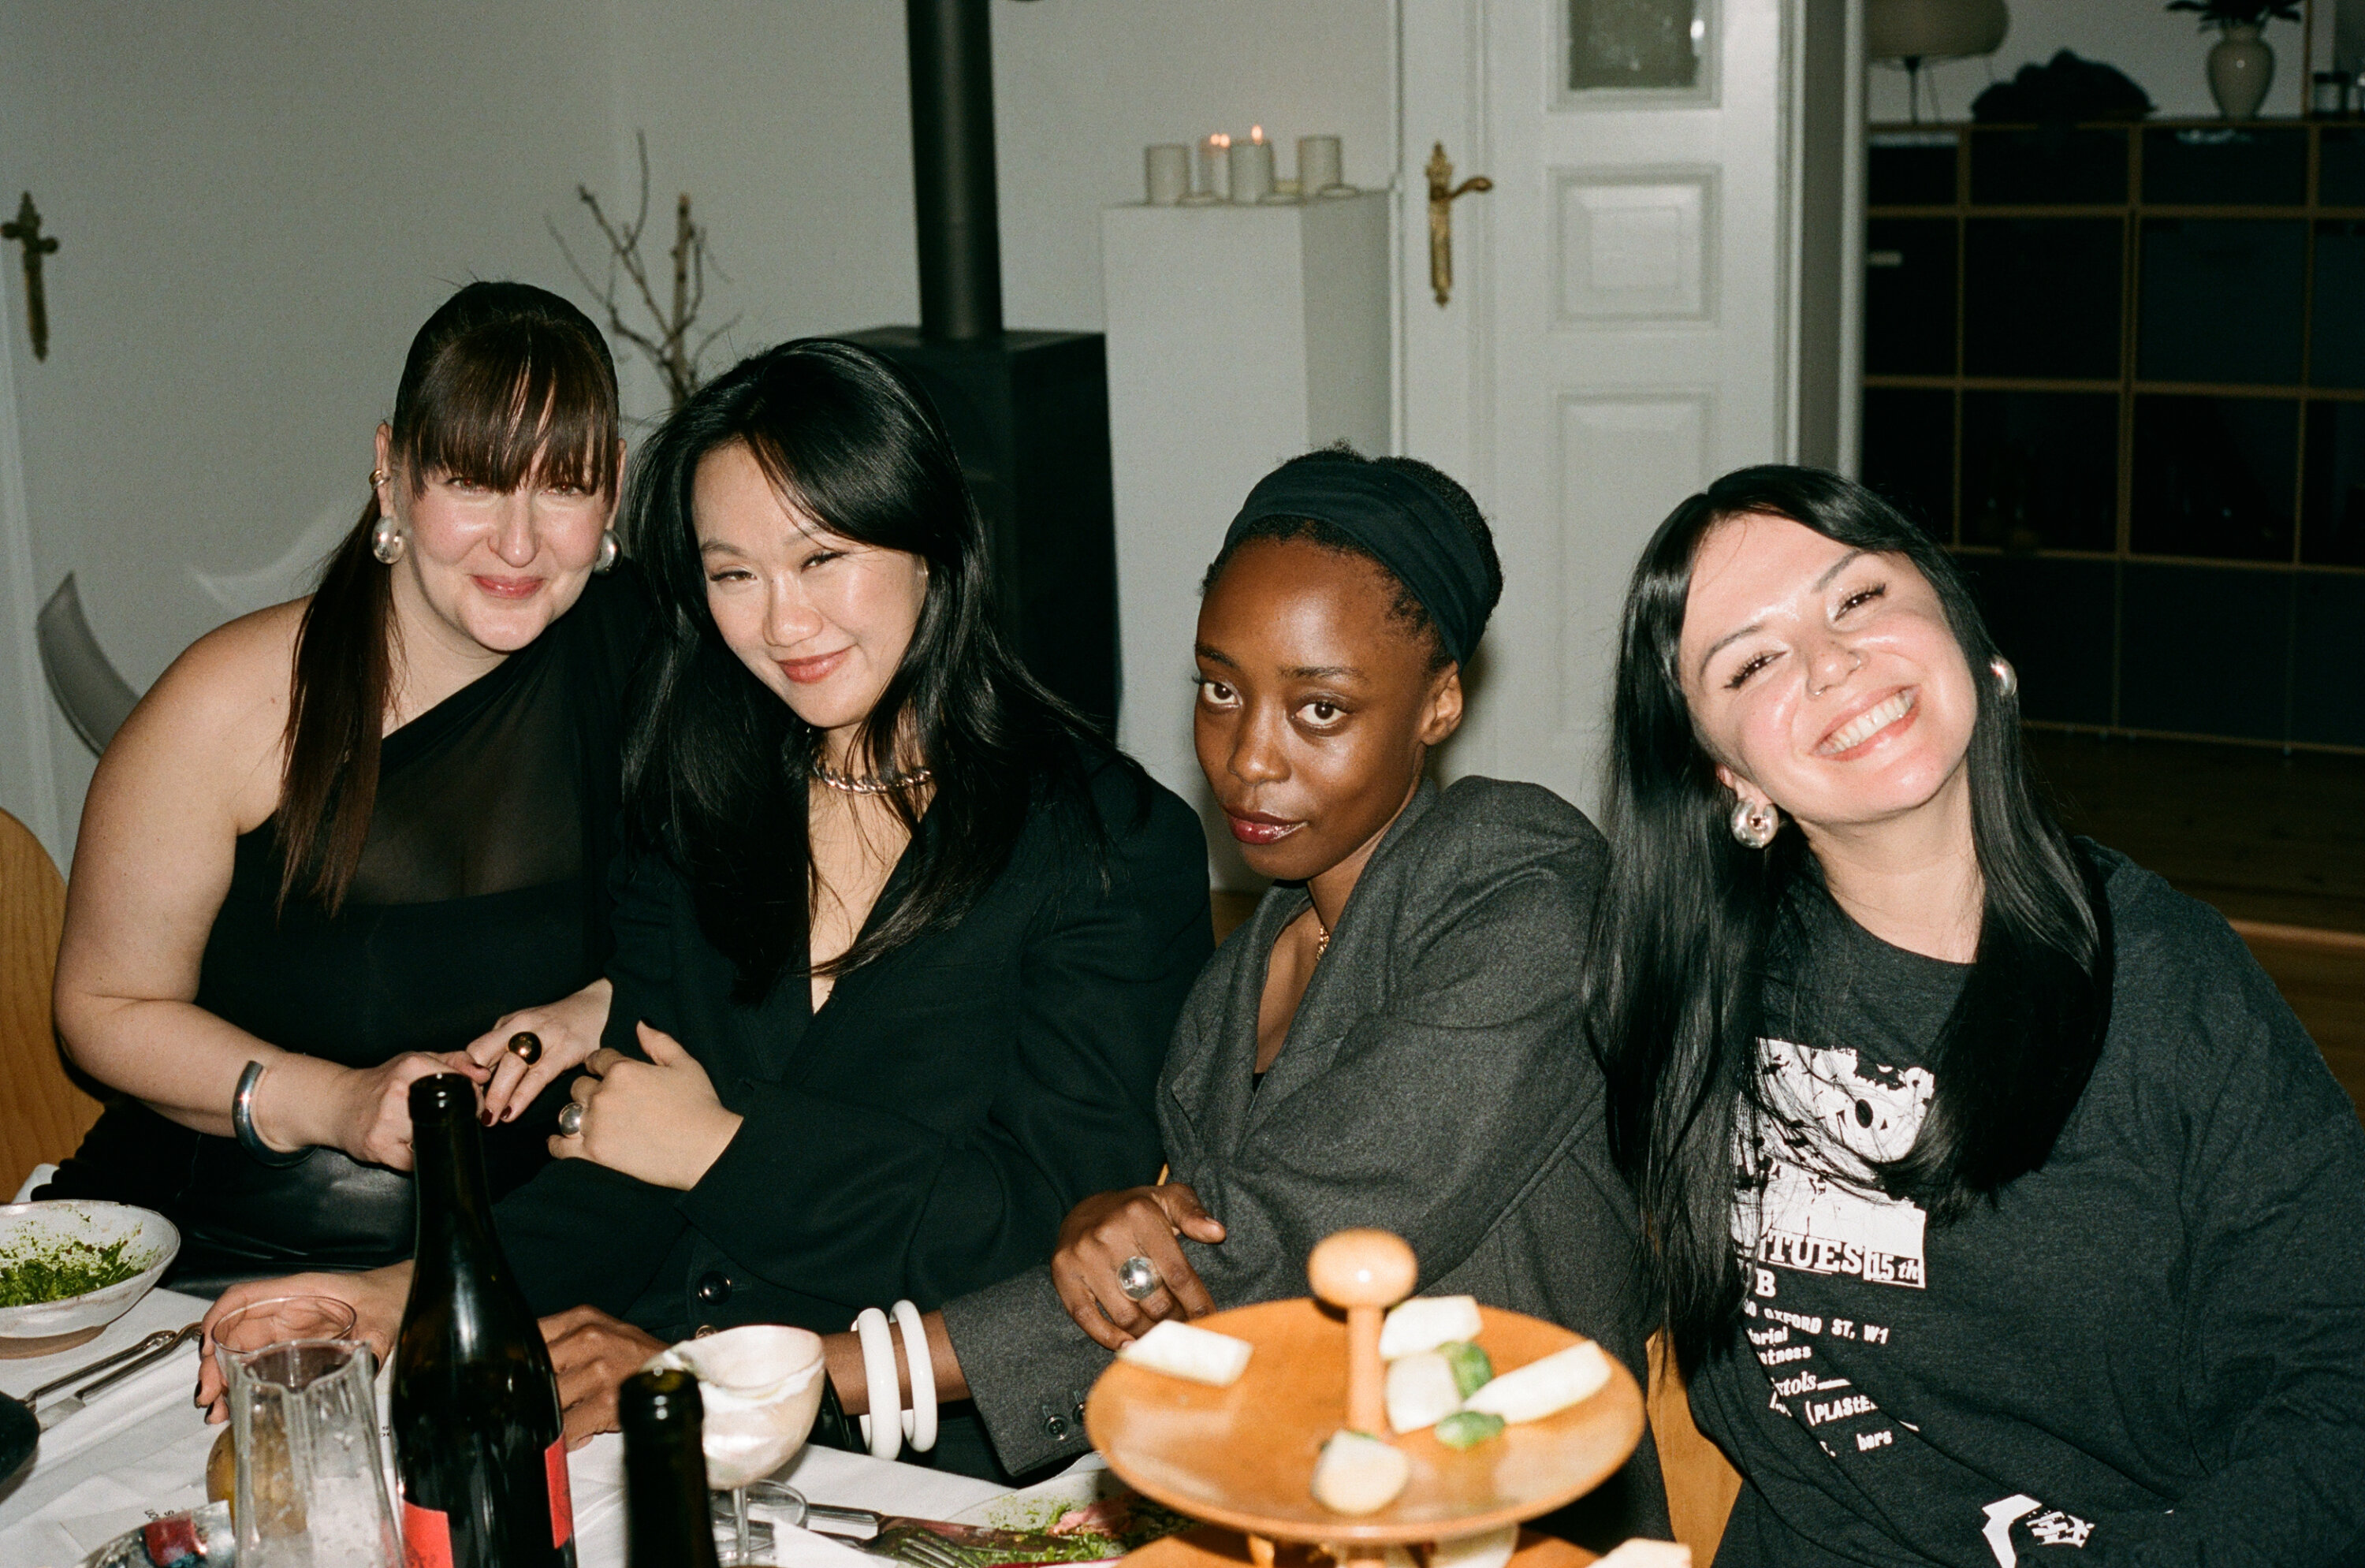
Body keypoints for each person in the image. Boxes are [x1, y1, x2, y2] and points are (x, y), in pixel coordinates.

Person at [198, 338, 1213, 1482]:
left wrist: (722, 1152)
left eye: (822, 557)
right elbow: (626, 1160)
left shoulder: (1106, 845)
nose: (785, 624)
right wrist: (415, 1288)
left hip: (909, 1452)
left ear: (930, 542)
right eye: (736, 576)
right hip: (649, 1394)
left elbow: (1039, 1236)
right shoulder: (706, 794)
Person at [788, 449, 1667, 1539]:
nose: (1249, 758)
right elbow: (1182, 1286)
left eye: (1320, 709)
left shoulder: (1527, 884)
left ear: (1440, 703)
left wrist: (838, 1373)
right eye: (1221, 689)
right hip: (1283, 1516)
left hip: (1509, 1530)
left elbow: (1282, 1234)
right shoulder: (1232, 988)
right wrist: (1102, 1224)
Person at [1588, 465, 2365, 1565]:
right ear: (1726, 778)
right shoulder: (1694, 990)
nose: (1830, 662)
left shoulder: (2170, 984)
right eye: (1752, 662)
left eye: (1857, 598)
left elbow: (2338, 1396)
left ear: (1960, 629)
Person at [46, 281, 644, 1291]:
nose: (518, 542)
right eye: (474, 482)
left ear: (615, 489)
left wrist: (602, 1004)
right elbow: (102, 1007)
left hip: (537, 1265)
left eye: (564, 487)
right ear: (391, 473)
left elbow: (749, 949)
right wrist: (332, 1102)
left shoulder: (652, 671)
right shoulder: (227, 703)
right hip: (223, 1264)